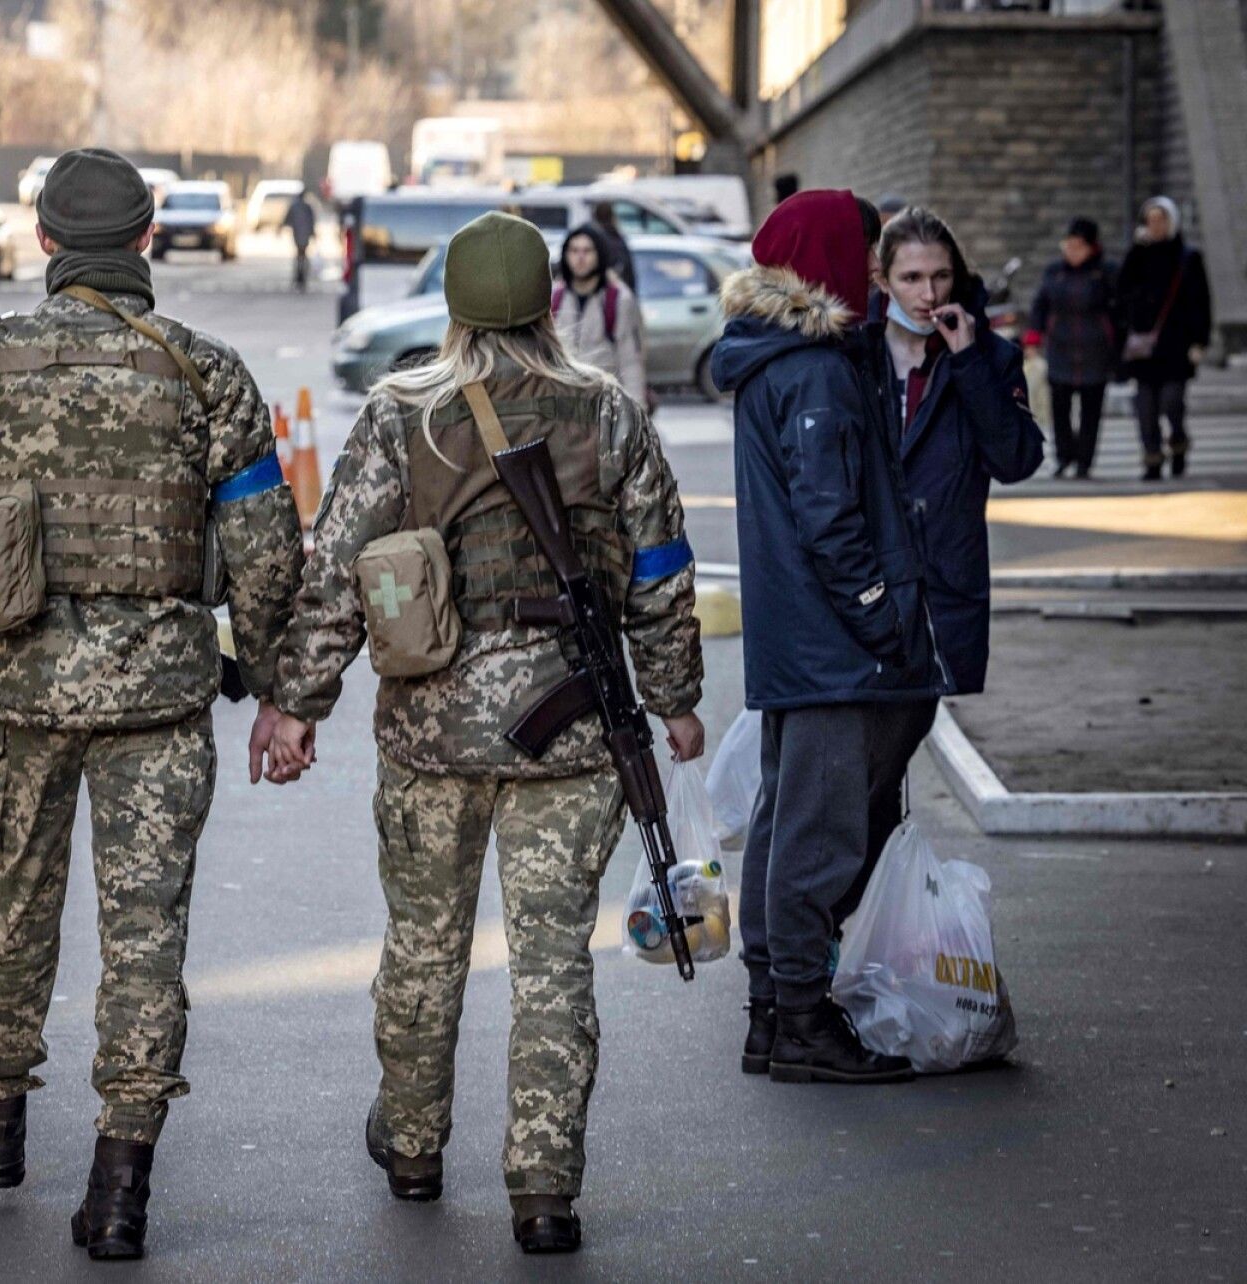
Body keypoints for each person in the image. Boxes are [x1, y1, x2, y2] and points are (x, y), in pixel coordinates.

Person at [0, 147, 304, 1262]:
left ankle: (0, 1115)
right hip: (160, 700)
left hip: (15, 695)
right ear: (150, 236)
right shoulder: (206, 373)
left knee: (12, 911)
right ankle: (121, 1184)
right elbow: (264, 554)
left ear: (44, 238)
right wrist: (273, 689)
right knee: (145, 935)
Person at [267, 211, 705, 1255]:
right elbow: (658, 573)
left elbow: (335, 568)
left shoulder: (401, 417)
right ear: (552, 301)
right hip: (573, 732)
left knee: (423, 944)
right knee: (554, 959)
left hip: (431, 728)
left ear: (454, 308)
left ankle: (414, 1144)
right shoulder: (610, 415)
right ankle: (544, 1185)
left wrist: (296, 703)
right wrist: (676, 696)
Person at [708, 189, 942, 1086]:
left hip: (800, 638)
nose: (877, 272)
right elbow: (831, 518)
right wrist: (884, 613)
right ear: (833, 263)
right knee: (820, 834)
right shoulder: (813, 370)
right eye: (868, 254)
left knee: (786, 819)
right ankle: (800, 1021)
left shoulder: (783, 358)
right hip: (832, 645)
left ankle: (776, 1012)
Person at [836, 207, 1042, 920]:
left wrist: (971, 361)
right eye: (911, 277)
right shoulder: (851, 355)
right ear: (881, 279)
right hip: (856, 597)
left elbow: (1015, 459)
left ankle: (865, 934)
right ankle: (858, 934)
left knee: (880, 769)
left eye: (940, 275)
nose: (927, 293)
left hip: (933, 601)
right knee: (860, 781)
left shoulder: (986, 358)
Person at [1116, 195, 1212, 479]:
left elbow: (1201, 302)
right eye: (1151, 220)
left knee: (1172, 402)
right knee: (1145, 407)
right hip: (1144, 347)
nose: (1155, 226)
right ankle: (1153, 458)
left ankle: (1179, 443)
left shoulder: (1187, 257)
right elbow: (1122, 293)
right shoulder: (1138, 255)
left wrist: (1200, 341)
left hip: (1177, 346)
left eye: (1161, 220)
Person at [1027, 217, 1122, 478]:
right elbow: (1040, 306)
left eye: (1078, 245)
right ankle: (1063, 456)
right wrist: (1034, 339)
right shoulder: (1054, 272)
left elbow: (1120, 311)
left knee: (1091, 411)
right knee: (1060, 409)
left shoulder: (1106, 272)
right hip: (1061, 348)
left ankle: (1084, 460)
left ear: (1092, 247)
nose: (1072, 250)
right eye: (1068, 244)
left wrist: (1117, 345)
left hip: (1095, 350)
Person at [553, 224, 647, 405]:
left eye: (587, 251)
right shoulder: (555, 297)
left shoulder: (618, 298)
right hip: (565, 404)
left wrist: (638, 409)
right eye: (574, 250)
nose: (580, 257)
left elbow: (630, 360)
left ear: (599, 255)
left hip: (605, 403)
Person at [585, 201, 638, 296]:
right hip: (616, 295)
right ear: (612, 217)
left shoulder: (590, 239)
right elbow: (628, 274)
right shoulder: (616, 239)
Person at [285, 189, 317, 292]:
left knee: (300, 255)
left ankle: (300, 275)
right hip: (303, 234)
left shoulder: (296, 207)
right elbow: (311, 221)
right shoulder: (306, 207)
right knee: (301, 254)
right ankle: (300, 275)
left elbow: (287, 219)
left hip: (299, 233)